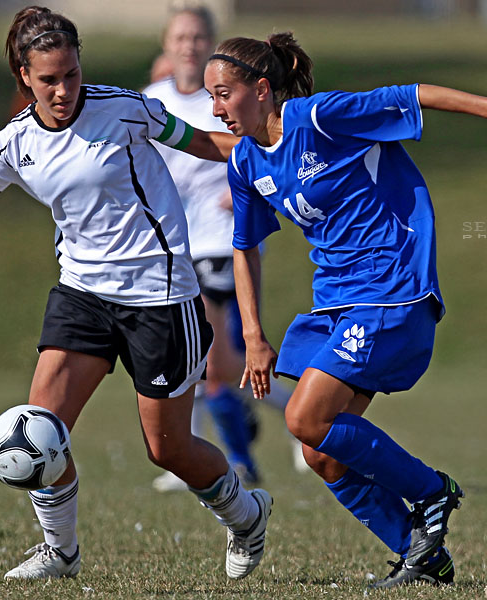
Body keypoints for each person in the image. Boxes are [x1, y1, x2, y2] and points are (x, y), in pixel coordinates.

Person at [0, 6, 273, 582]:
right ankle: (60, 551)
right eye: (49, 79)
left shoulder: (125, 110)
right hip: (82, 294)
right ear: (24, 78)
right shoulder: (13, 145)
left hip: (159, 295)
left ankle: (245, 514)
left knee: (169, 450)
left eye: (72, 75)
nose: (64, 90)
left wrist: (276, 149)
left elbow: (206, 143)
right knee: (42, 428)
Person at [204, 33, 487, 587]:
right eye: (212, 98)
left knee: (304, 418)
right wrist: (253, 334)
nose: (217, 109)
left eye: (224, 94)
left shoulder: (320, 117)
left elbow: (411, 94)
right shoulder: (247, 161)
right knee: (320, 453)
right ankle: (420, 553)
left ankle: (431, 490)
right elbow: (244, 247)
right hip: (337, 302)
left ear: (263, 89)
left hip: (392, 289)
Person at [142, 6, 299, 493]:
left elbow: (262, 143)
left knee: (212, 360)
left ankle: (227, 459)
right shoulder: (152, 101)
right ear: (167, 45)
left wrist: (243, 180)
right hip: (173, 244)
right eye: (180, 36)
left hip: (222, 241)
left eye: (198, 36)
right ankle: (290, 419)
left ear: (211, 44)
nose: (188, 44)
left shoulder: (230, 96)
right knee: (212, 361)